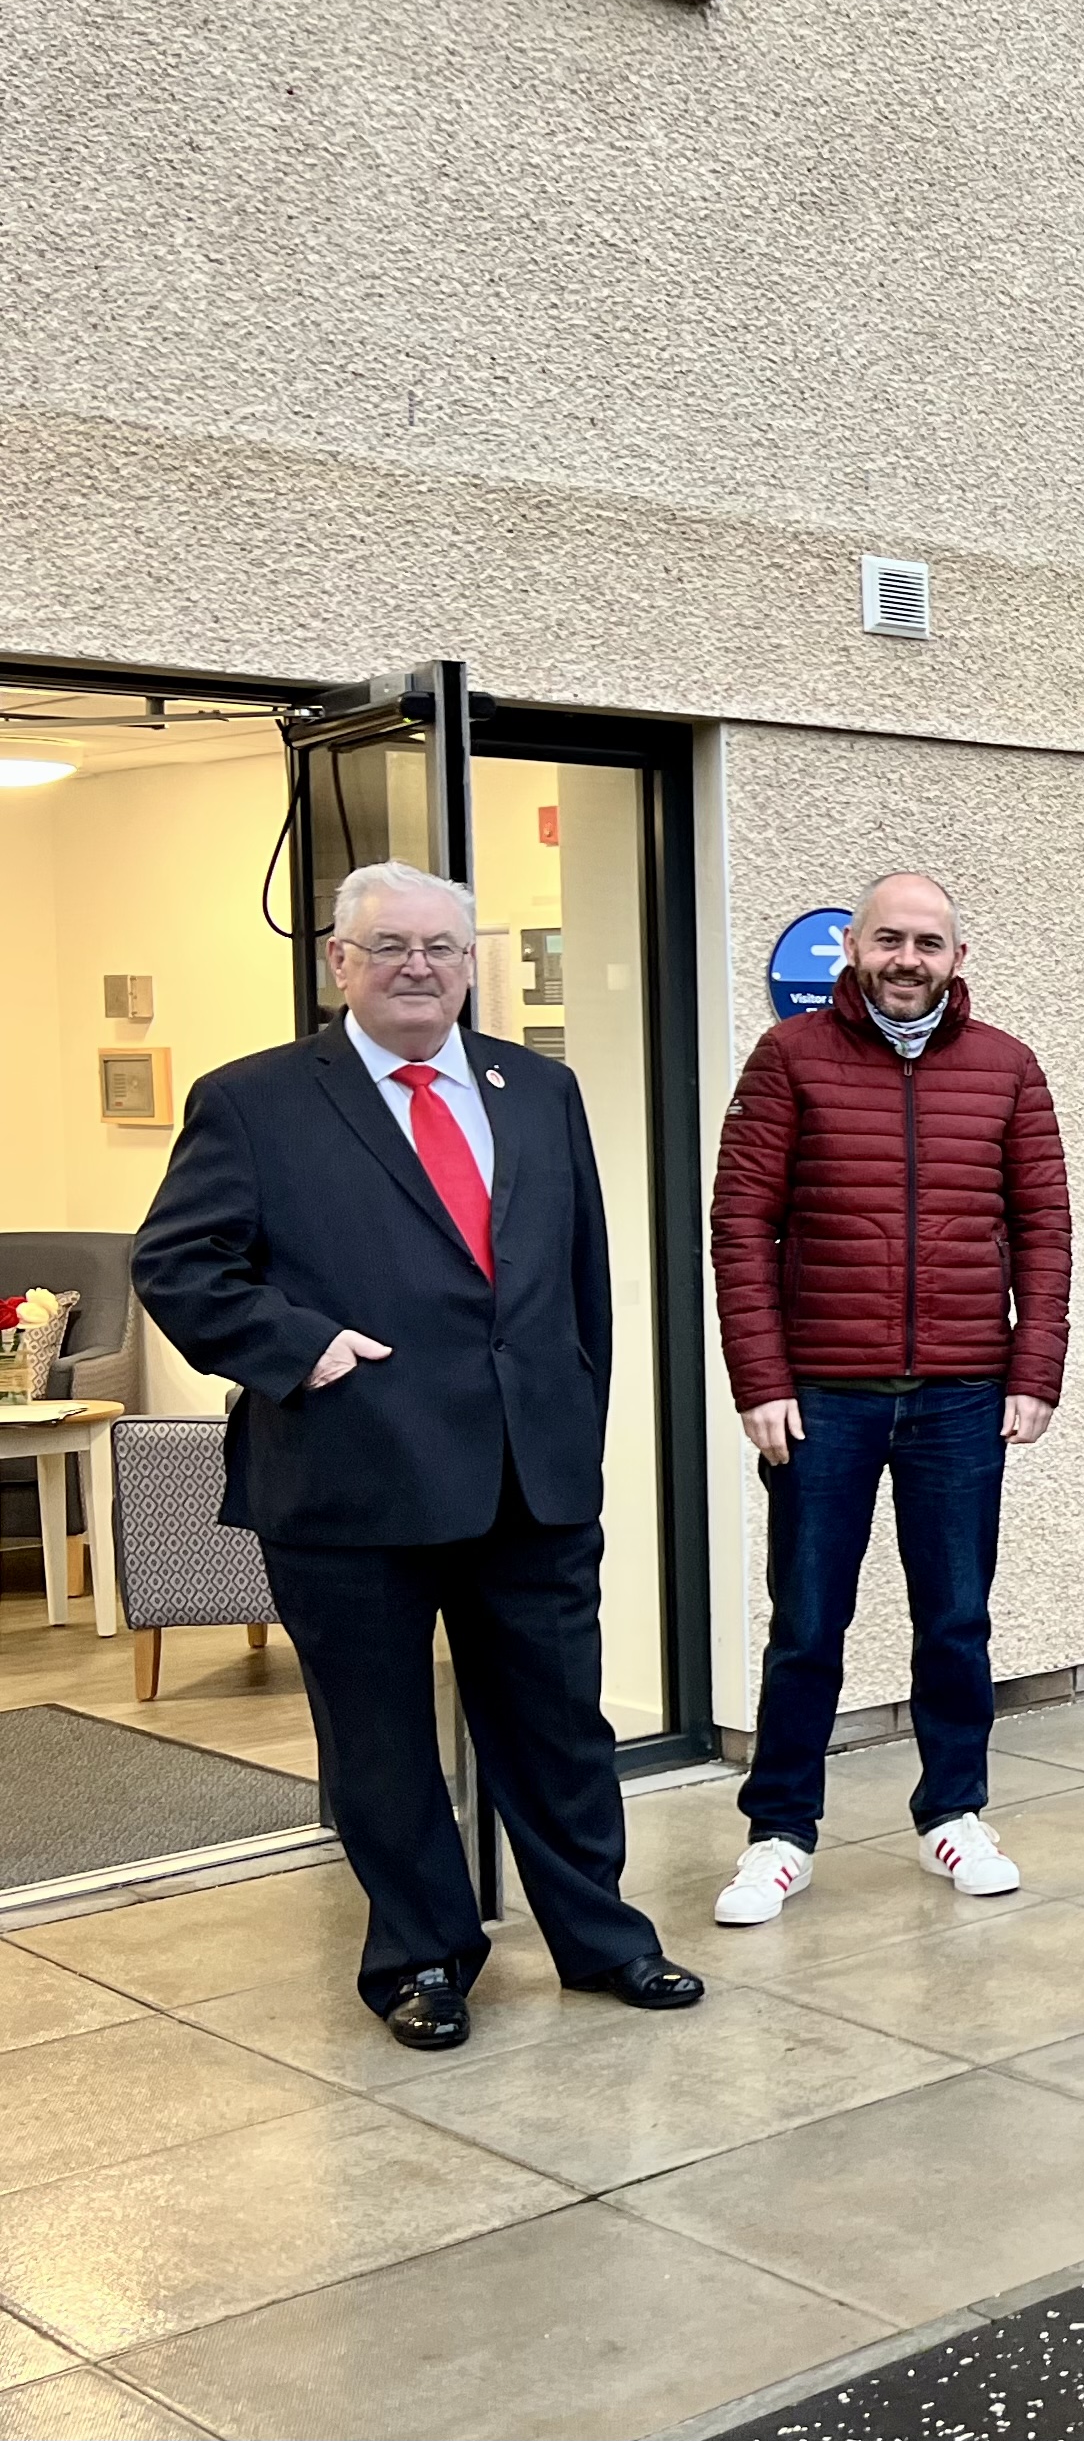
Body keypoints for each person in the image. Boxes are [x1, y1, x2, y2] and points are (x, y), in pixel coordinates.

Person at [132, 861, 699, 2050]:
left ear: (472, 960)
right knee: (380, 1740)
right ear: (339, 960)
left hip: (526, 1480)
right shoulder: (257, 1100)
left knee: (559, 1726)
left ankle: (602, 1937)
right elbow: (180, 1264)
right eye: (389, 945)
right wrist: (300, 1346)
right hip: (351, 1474)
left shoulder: (537, 1088)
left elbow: (580, 1282)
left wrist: (575, 1426)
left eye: (442, 946)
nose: (418, 967)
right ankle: (422, 1957)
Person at [703, 872, 1072, 1927]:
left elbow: (1044, 1226)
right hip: (823, 1394)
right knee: (808, 1621)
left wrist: (1032, 1365)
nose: (908, 958)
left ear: (959, 957)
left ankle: (952, 1812)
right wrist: (761, 1378)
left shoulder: (1006, 1066)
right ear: (853, 949)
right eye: (889, 939)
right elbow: (742, 1226)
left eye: (929, 942)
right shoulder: (790, 1059)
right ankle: (779, 1831)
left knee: (955, 1617)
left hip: (963, 1391)